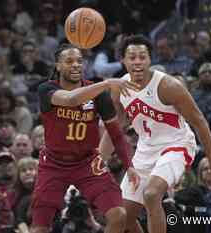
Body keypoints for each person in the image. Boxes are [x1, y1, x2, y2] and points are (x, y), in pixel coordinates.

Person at [101, 35, 211, 233]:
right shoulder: (119, 88)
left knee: (151, 195)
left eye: (142, 57)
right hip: (146, 149)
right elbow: (115, 129)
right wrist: (97, 162)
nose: (137, 62)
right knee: (123, 216)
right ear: (123, 60)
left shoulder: (168, 86)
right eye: (132, 57)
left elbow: (200, 122)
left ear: (151, 59)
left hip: (177, 145)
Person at [31, 43, 140, 233]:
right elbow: (71, 99)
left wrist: (129, 165)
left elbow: (115, 132)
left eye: (79, 61)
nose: (75, 65)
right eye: (69, 61)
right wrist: (106, 83)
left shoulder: (98, 95)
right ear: (58, 65)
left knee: (119, 215)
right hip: (53, 164)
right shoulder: (46, 89)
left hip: (87, 162)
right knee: (40, 227)